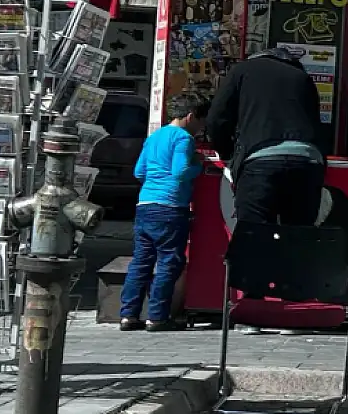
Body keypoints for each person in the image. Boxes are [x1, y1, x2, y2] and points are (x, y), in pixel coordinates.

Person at [206, 45, 325, 224]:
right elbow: (317, 124)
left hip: (259, 158)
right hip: (306, 162)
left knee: (254, 237)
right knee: (299, 237)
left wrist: (227, 154)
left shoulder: (242, 71)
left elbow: (216, 119)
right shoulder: (302, 77)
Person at [119, 94, 208, 332]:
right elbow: (180, 172)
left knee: (141, 262)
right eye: (201, 122)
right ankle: (157, 316)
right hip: (170, 208)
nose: (201, 128)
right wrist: (199, 166)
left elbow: (139, 172)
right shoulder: (183, 138)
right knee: (169, 262)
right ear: (191, 117)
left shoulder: (154, 137)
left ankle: (128, 315)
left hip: (145, 205)